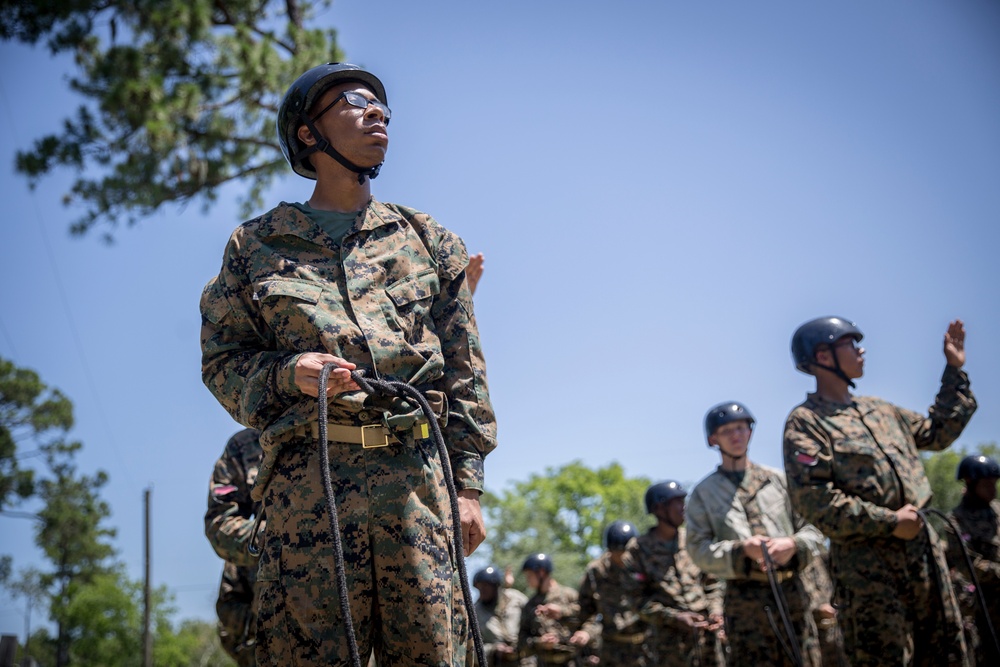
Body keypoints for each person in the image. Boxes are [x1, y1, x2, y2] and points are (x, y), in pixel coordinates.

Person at [200, 62, 497, 666]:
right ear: (309, 134)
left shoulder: (426, 238)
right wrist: (288, 374)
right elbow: (222, 361)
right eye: (354, 102)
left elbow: (465, 369)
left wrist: (468, 489)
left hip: (416, 488)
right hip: (309, 492)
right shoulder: (256, 245)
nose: (377, 112)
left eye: (381, 105)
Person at [782, 316, 976, 666]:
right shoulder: (806, 422)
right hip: (866, 564)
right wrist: (889, 522)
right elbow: (815, 500)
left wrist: (954, 371)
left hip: (923, 552)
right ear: (823, 356)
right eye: (851, 345)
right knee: (882, 657)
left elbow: (938, 432)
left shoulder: (882, 410)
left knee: (947, 650)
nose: (861, 351)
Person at [686, 401, 824, 666]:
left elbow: (814, 529)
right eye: (727, 431)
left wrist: (792, 544)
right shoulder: (703, 493)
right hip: (744, 599)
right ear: (713, 439)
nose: (736, 436)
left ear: (750, 432)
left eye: (741, 428)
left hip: (793, 591)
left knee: (804, 659)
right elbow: (697, 550)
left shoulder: (779, 480)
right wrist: (740, 550)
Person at [629, 480, 725, 666]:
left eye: (684, 502)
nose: (683, 508)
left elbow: (712, 584)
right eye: (677, 503)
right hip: (669, 647)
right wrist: (674, 617)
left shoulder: (693, 540)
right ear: (659, 509)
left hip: (707, 642)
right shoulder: (638, 550)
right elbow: (637, 602)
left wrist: (715, 611)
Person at [205, 428, 264, 667]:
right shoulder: (247, 444)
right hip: (282, 621)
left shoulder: (378, 416)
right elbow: (219, 524)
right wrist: (276, 539)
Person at [571, 520, 652, 667]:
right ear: (609, 550)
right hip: (613, 649)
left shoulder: (645, 565)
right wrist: (586, 632)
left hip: (647, 646)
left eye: (626, 553)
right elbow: (586, 611)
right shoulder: (597, 572)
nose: (622, 559)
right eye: (617, 553)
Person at [946, 454, 1000, 665]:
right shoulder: (956, 520)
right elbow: (969, 566)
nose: (993, 489)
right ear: (970, 483)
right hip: (985, 609)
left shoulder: (997, 512)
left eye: (994, 484)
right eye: (987, 484)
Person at [518, 553, 581, 666]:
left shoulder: (569, 596)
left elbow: (589, 620)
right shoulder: (530, 605)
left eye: (529, 575)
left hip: (572, 662)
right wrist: (540, 642)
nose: (527, 580)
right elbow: (521, 641)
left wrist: (562, 612)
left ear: (541, 572)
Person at [472, 565, 530, 666]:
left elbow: (533, 617)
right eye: (479, 586)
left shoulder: (516, 599)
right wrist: (494, 650)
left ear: (496, 586)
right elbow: (470, 649)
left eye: (486, 586)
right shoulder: (474, 613)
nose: (482, 590)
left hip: (525, 659)